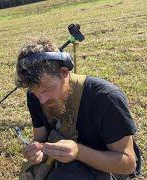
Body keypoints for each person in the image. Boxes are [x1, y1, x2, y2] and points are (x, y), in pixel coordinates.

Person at [16, 38, 140, 179]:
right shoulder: (35, 95)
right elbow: (40, 138)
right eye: (35, 92)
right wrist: (38, 151)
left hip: (106, 168)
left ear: (64, 72)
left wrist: (78, 151)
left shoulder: (105, 98)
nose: (41, 99)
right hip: (61, 164)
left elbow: (128, 164)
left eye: (46, 90)